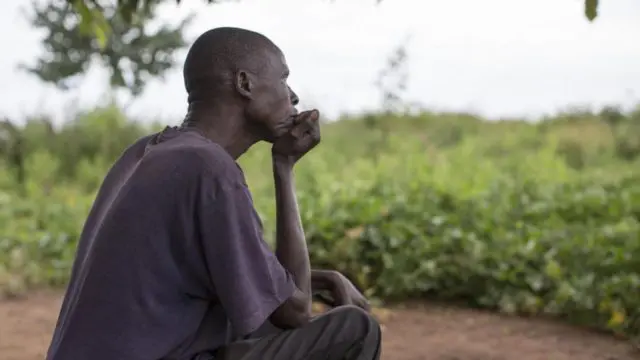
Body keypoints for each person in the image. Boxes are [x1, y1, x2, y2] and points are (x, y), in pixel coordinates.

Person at [45, 27, 382, 360]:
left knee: (245, 322)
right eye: (283, 79)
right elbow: (293, 311)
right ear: (245, 84)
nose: (293, 96)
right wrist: (284, 166)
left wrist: (325, 279)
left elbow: (248, 280)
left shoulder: (145, 153)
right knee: (354, 329)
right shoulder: (209, 168)